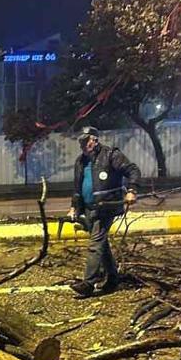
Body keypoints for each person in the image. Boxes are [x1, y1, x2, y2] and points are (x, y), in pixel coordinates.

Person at [68, 126, 141, 297]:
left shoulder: (110, 155)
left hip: (106, 207)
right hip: (89, 208)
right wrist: (74, 207)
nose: (83, 145)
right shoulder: (80, 161)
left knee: (96, 243)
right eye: (81, 142)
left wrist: (132, 190)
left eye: (86, 141)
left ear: (94, 140)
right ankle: (113, 278)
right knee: (102, 244)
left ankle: (89, 283)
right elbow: (77, 187)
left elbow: (133, 170)